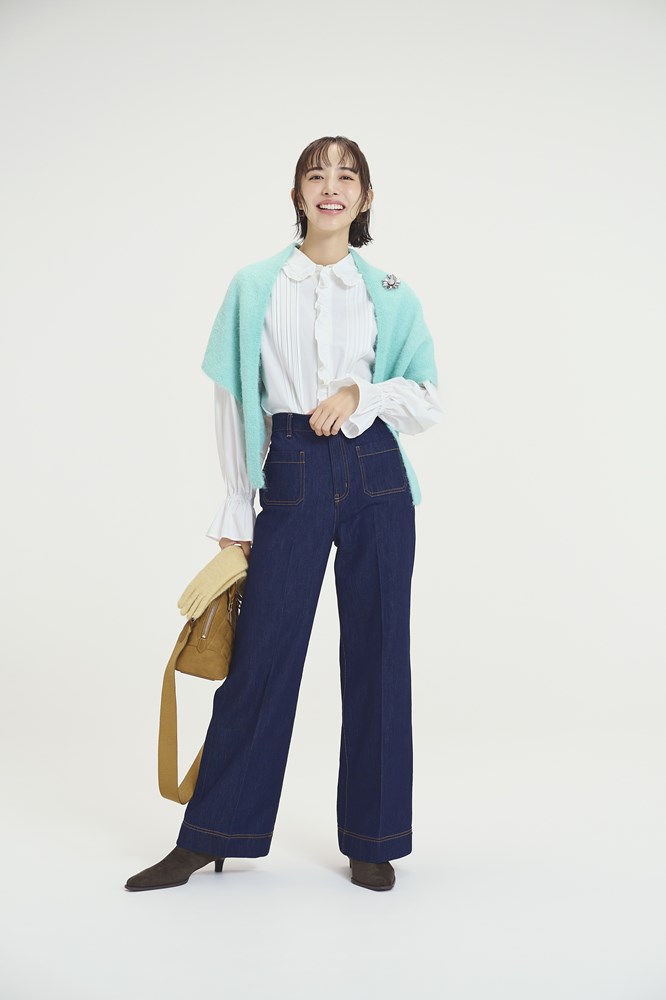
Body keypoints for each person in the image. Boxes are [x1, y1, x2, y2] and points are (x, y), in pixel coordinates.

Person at [125, 135, 443, 894]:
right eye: (316, 174)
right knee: (262, 654)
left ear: (366, 198)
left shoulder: (391, 291)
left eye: (347, 175)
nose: (331, 186)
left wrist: (363, 395)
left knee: (379, 655)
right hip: (291, 469)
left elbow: (428, 400)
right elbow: (234, 399)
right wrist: (237, 507)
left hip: (376, 474)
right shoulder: (256, 286)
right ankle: (210, 834)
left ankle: (374, 839)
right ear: (297, 194)